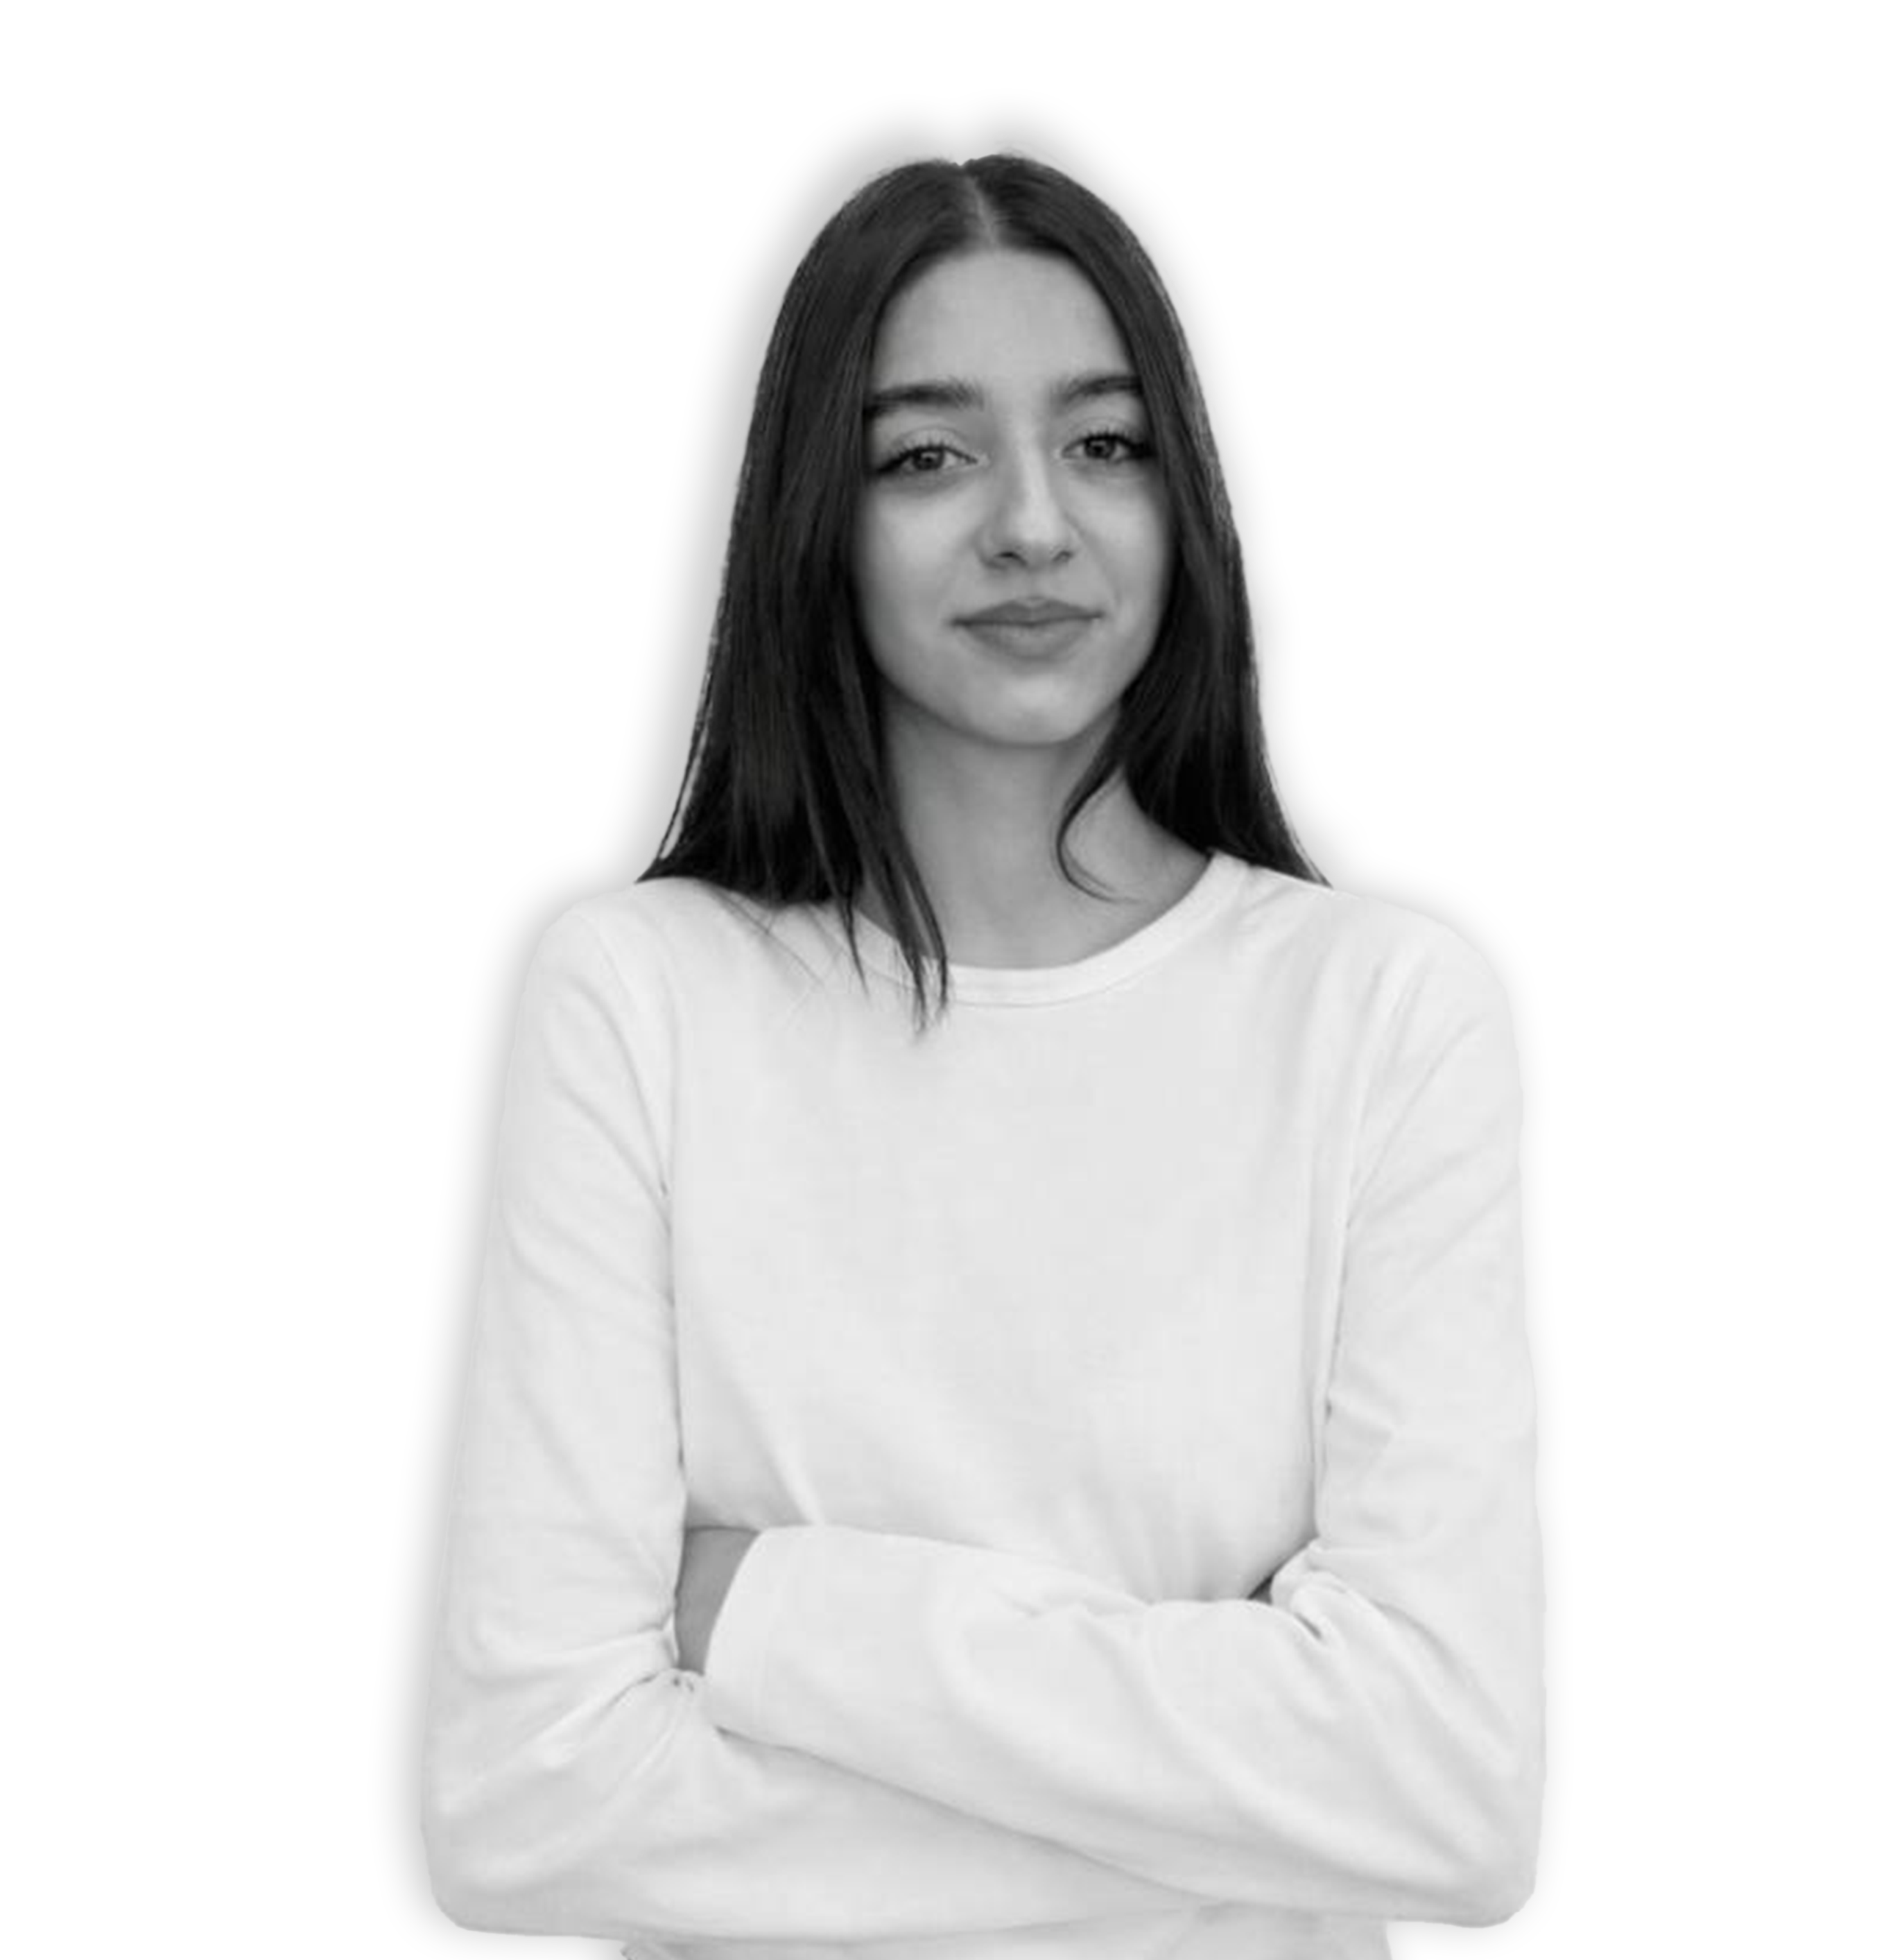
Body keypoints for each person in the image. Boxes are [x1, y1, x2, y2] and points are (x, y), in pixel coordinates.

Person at [418, 134, 1546, 1960]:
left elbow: (1453, 1801)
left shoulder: (1387, 1017)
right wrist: (1246, 1823)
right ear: (817, 514)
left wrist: (770, 1612)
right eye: (927, 457)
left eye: (1106, 444)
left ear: (1185, 499)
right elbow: (518, 1810)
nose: (1032, 523)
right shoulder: (639, 999)